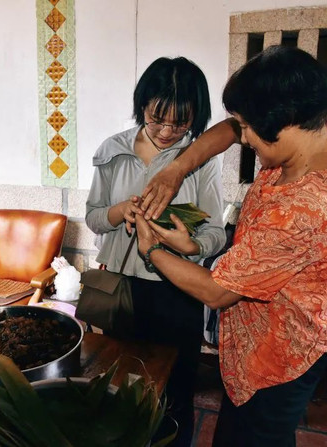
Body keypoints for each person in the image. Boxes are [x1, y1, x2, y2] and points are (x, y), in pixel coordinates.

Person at [134, 45, 327, 446]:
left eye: (249, 128)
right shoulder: (321, 128)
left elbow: (217, 292)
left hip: (281, 353)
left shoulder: (305, 209)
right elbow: (228, 130)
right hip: (264, 335)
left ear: (284, 123)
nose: (242, 138)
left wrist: (152, 251)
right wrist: (177, 169)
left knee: (254, 437)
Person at [85, 56, 226, 446]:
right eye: (155, 119)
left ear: (196, 116)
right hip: (120, 289)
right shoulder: (113, 150)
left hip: (177, 290)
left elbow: (216, 232)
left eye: (180, 123)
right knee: (120, 384)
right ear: (142, 106)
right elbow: (94, 217)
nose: (166, 132)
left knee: (175, 391)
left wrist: (193, 245)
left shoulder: (200, 159)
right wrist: (119, 211)